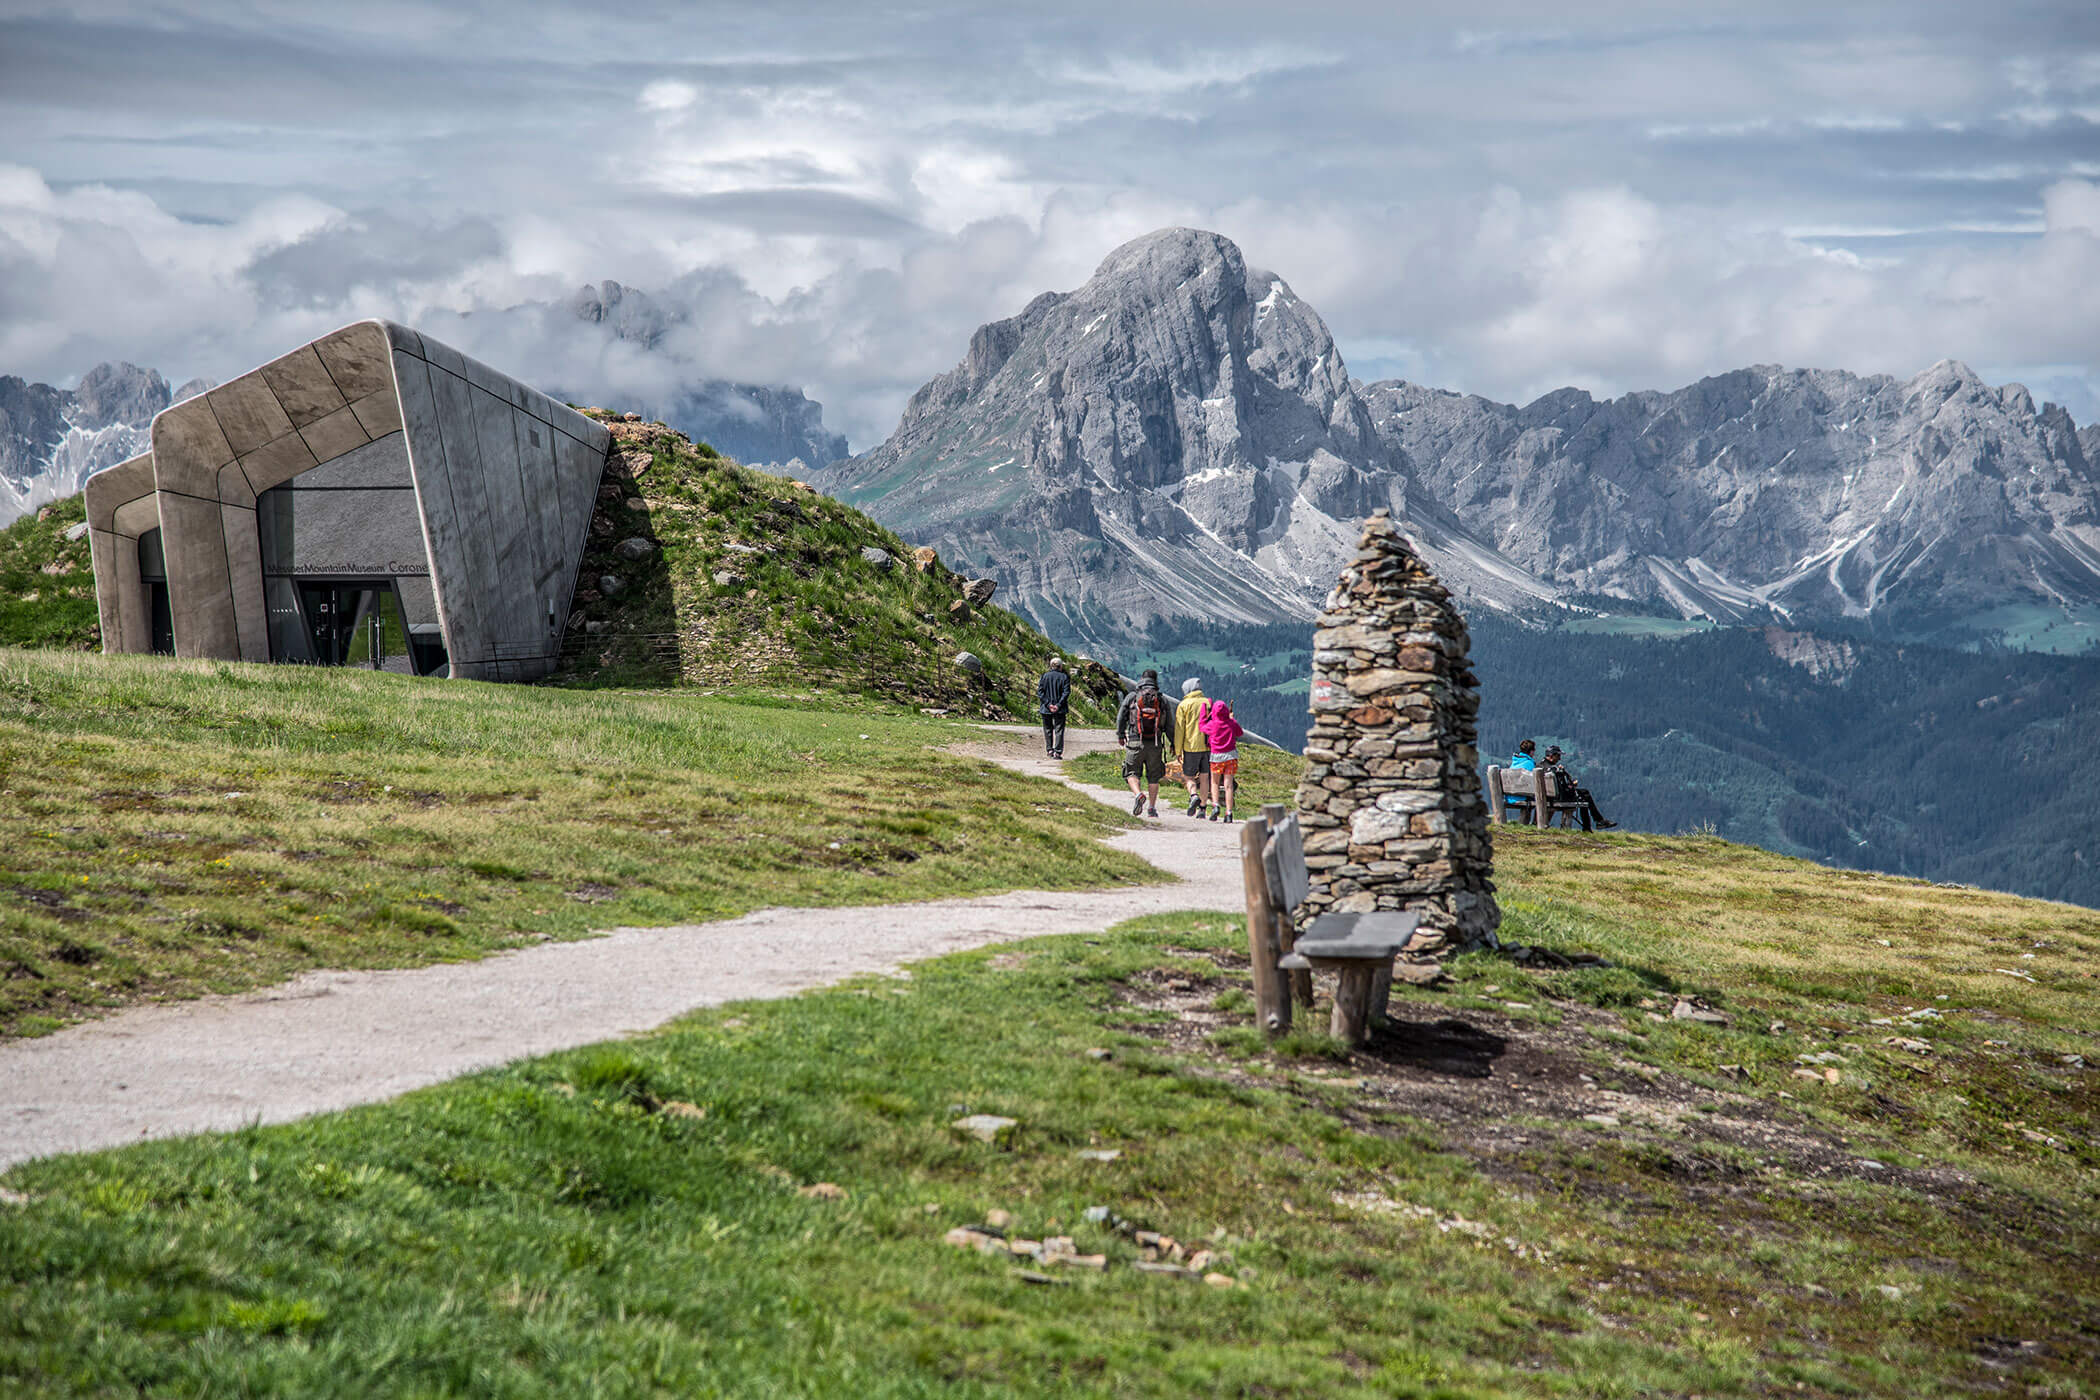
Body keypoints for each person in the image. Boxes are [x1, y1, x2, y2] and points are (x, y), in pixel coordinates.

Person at [1115, 669, 1175, 817]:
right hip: (1155, 743)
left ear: (1141, 679)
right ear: (1155, 682)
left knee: (1131, 772)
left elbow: (1121, 716)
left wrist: (1121, 734)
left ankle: (1138, 794)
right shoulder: (1161, 700)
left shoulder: (1132, 697)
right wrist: (1173, 743)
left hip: (1135, 740)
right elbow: (1169, 725)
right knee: (1153, 776)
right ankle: (1152, 808)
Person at [1539, 744, 1618, 831]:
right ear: (1551, 756)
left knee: (1583, 795)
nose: (1559, 758)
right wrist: (1572, 785)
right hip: (1558, 798)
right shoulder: (1554, 770)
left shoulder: (1540, 766)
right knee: (1584, 795)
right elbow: (1563, 789)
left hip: (1545, 797)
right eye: (1558, 756)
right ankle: (1594, 824)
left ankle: (1592, 824)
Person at [1199, 698, 1244, 822]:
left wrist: (1204, 707)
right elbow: (1240, 733)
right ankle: (1229, 813)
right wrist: (1232, 719)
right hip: (1231, 756)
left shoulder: (1213, 724)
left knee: (1214, 783)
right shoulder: (1230, 723)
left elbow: (1201, 726)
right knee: (1228, 785)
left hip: (1216, 757)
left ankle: (1215, 805)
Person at [1173, 677, 1213, 816]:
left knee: (1189, 777)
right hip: (1208, 747)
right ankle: (1202, 808)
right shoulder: (1208, 703)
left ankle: (1193, 795)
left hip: (1190, 747)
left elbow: (1179, 730)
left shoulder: (1184, 705)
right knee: (1204, 778)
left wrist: (1178, 750)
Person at [1037, 658, 1070, 759]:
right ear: (1060, 666)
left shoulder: (1045, 676)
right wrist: (1058, 705)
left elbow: (1040, 692)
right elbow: (1066, 692)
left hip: (1046, 708)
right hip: (1060, 709)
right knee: (1059, 730)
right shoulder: (1064, 677)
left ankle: (1049, 749)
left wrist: (1048, 704)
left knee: (1047, 729)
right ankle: (1058, 752)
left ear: (1051, 665)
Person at [1506, 738, 1538, 821]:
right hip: (1522, 797)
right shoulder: (1529, 763)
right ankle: (1536, 824)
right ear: (1531, 751)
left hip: (1510, 796)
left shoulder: (1515, 761)